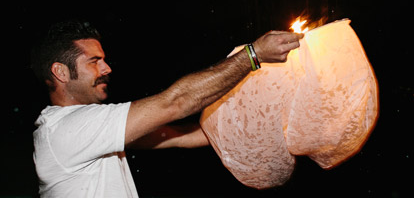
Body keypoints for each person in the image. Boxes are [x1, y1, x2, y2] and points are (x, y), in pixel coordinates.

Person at [29, 19, 304, 197]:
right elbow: (176, 102)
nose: (107, 68)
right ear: (60, 72)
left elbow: (183, 135)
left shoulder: (92, 133)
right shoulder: (66, 129)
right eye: (94, 61)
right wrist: (252, 55)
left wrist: (268, 121)